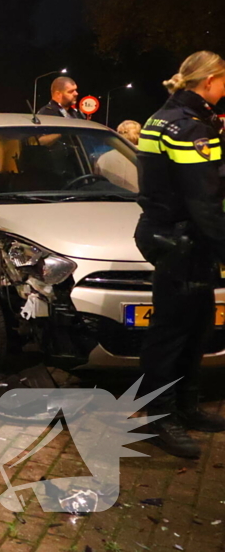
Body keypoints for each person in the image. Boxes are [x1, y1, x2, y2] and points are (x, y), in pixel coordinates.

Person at [134, 51, 225, 458]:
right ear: (208, 82)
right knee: (170, 334)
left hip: (180, 239)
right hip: (182, 242)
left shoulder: (167, 118)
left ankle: (186, 406)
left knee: (197, 326)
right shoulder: (188, 128)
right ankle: (159, 418)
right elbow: (204, 199)